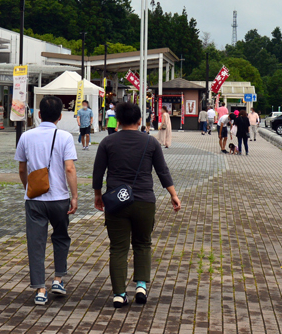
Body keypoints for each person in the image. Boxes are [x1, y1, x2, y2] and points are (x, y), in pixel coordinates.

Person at [93, 101, 181, 307]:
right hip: (144, 201)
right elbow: (162, 171)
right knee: (143, 243)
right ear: (140, 120)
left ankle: (119, 294)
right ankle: (141, 286)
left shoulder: (108, 142)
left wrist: (98, 195)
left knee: (118, 248)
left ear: (119, 121)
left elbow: (98, 172)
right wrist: (173, 195)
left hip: (116, 202)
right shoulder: (150, 143)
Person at [15, 96, 78, 306]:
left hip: (35, 199)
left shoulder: (26, 136)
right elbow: (69, 168)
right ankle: (58, 279)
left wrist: (28, 188)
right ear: (60, 116)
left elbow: (22, 169)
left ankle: (40, 289)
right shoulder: (65, 137)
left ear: (39, 114)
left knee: (36, 243)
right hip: (59, 198)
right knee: (61, 237)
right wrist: (74, 195)